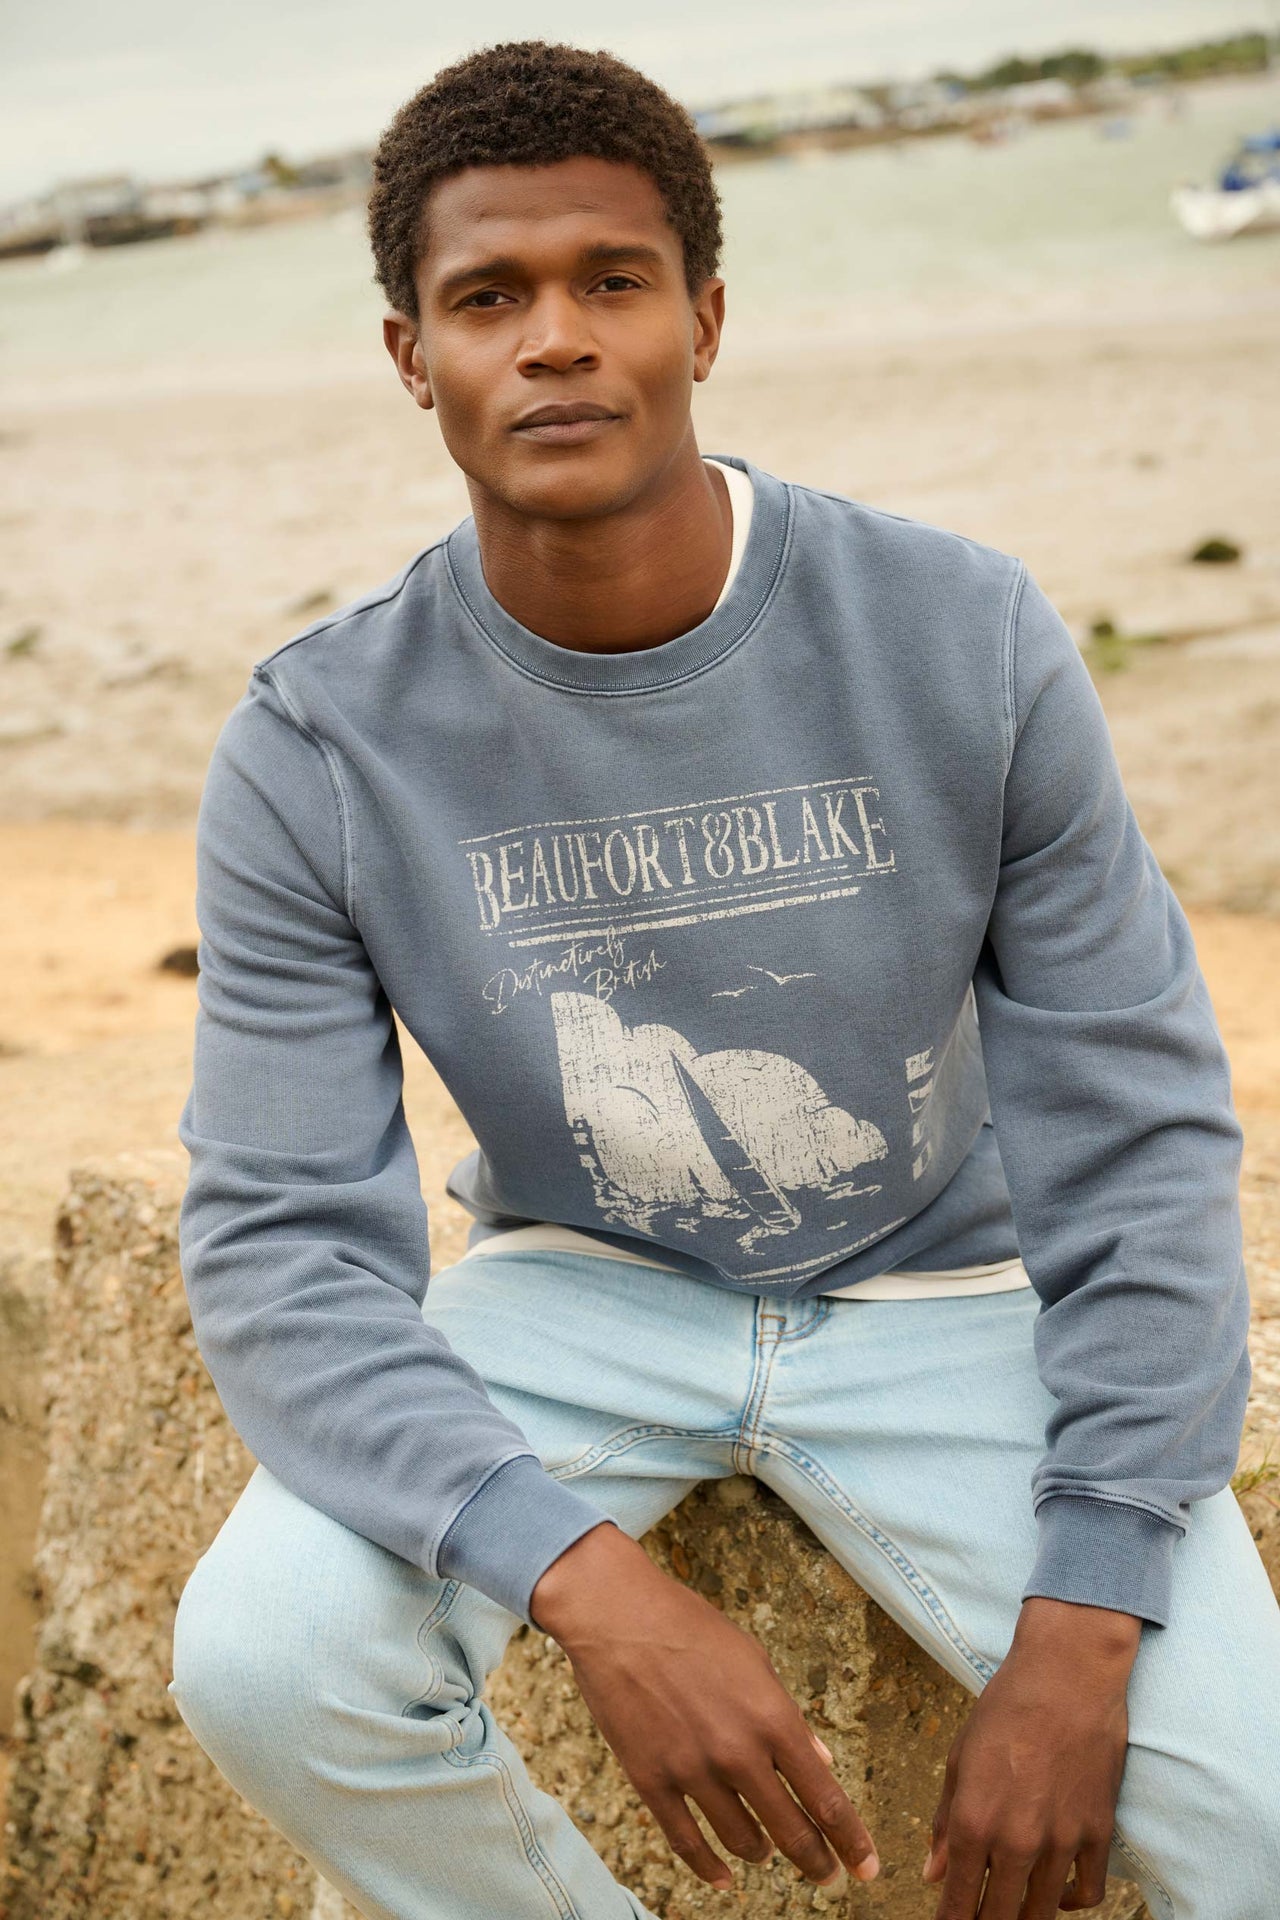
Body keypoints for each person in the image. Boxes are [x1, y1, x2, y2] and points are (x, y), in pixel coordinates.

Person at [167, 40, 1280, 1920]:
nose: (554, 341)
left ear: (704, 317)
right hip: (581, 1291)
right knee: (266, 1660)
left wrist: (1089, 1617)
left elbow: (1142, 1129)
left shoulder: (965, 632)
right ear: (409, 356)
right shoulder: (317, 743)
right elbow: (282, 1245)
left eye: (612, 281)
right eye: (486, 298)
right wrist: (582, 1580)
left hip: (955, 1287)